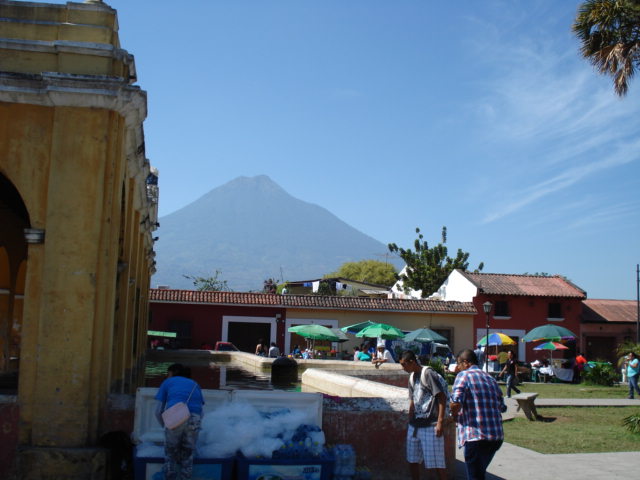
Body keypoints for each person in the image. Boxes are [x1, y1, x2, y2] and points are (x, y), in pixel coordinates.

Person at [450, 349, 506, 480]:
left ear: (466, 362)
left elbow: (456, 402)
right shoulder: (490, 378)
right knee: (479, 474)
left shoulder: (464, 375)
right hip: (495, 437)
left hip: (476, 436)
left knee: (475, 476)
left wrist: (452, 415)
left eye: (458, 364)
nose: (458, 367)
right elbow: (502, 407)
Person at [400, 350, 447, 480]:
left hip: (430, 424)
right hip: (415, 425)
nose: (403, 368)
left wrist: (440, 422)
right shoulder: (411, 377)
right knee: (412, 459)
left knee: (437, 462)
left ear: (412, 362)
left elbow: (441, 397)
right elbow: (412, 400)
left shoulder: (428, 374)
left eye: (404, 364)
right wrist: (410, 419)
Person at [155, 364, 204, 480]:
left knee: (170, 454)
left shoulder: (168, 382)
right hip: (194, 419)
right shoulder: (195, 384)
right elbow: (202, 413)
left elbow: (158, 411)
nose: (167, 376)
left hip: (175, 418)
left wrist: (165, 425)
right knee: (188, 455)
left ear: (173, 372)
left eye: (168, 373)